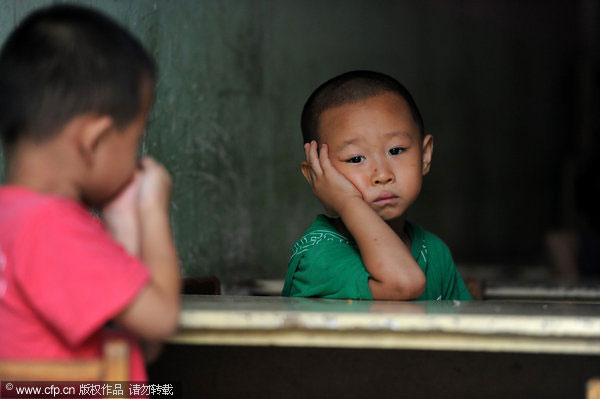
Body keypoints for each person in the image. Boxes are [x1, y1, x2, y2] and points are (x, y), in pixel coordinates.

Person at [0, 5, 180, 381]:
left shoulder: (14, 219)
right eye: (135, 139)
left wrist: (121, 224)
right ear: (93, 140)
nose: (135, 157)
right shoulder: (53, 226)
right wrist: (152, 211)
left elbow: (141, 340)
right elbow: (160, 320)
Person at [282, 71, 472, 301]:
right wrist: (347, 201)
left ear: (425, 155)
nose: (382, 175)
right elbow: (404, 283)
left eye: (396, 150)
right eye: (355, 159)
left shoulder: (433, 252)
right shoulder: (319, 254)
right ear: (316, 174)